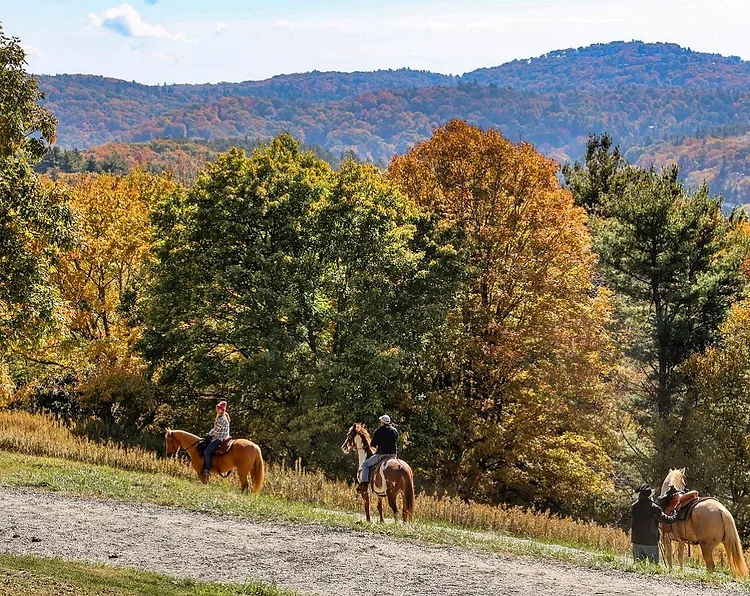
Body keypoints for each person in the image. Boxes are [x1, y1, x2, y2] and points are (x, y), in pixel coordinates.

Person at [630, 484, 678, 564]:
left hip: (636, 540)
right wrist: (676, 514)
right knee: (653, 567)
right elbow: (667, 520)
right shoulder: (654, 507)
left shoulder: (634, 506)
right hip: (650, 542)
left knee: (638, 568)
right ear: (650, 495)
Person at [357, 414, 398, 494]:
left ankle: (364, 484)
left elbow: (372, 444)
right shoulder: (394, 431)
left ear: (382, 423)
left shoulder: (378, 431)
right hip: (393, 456)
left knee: (365, 464)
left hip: (381, 455)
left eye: (381, 422)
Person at [202, 400, 230, 477]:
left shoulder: (221, 419)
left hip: (219, 438)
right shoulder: (223, 417)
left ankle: (208, 469)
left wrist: (208, 435)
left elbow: (215, 431)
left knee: (206, 452)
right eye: (217, 408)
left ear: (222, 410)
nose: (217, 409)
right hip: (223, 436)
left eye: (219, 408)